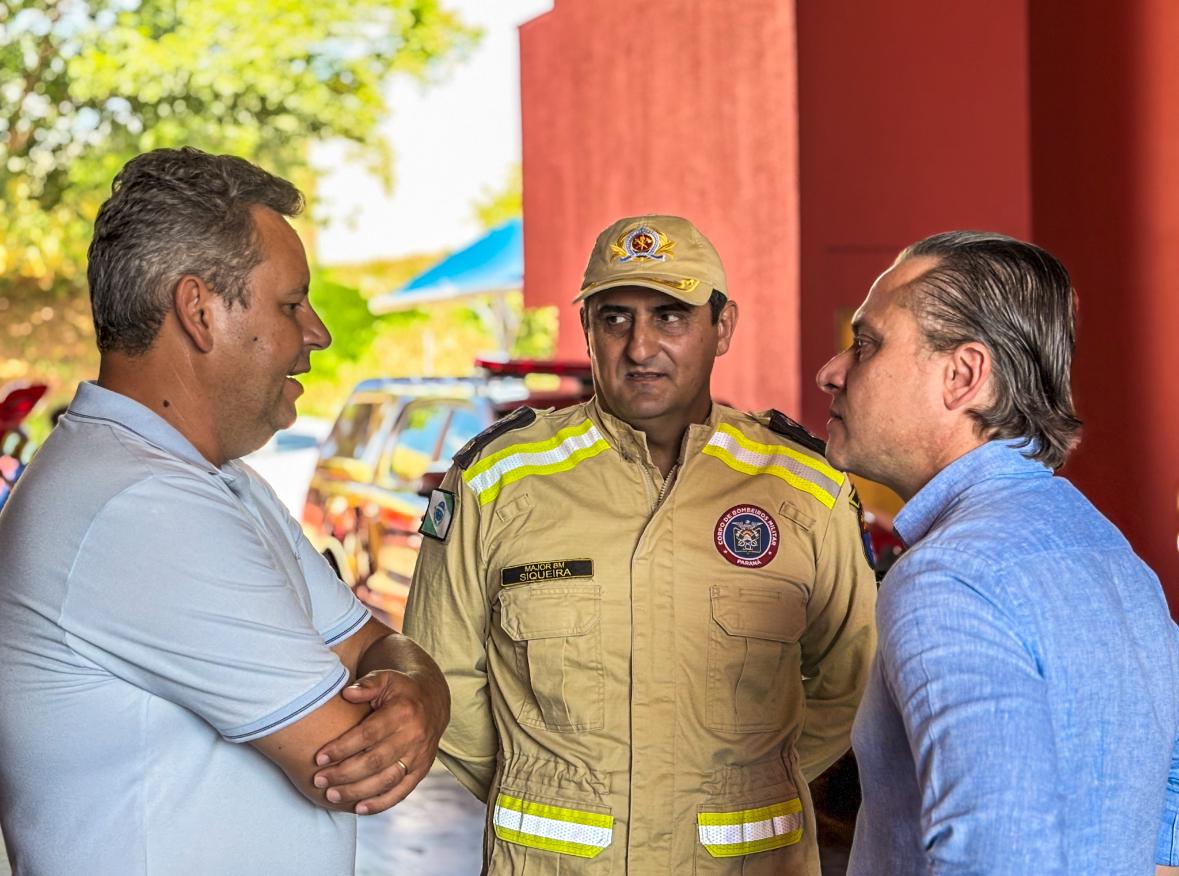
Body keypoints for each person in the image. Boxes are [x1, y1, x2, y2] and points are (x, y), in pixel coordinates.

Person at [0, 147, 450, 875]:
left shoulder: (213, 481)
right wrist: (420, 696)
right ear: (199, 311)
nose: (316, 333)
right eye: (290, 304)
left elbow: (371, 643)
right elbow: (347, 761)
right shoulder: (138, 504)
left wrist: (419, 687)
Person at [404, 214, 876, 874]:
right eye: (614, 317)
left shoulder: (801, 487)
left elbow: (849, 676)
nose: (639, 346)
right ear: (588, 330)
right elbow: (438, 674)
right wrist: (551, 787)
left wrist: (732, 790)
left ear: (723, 327)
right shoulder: (497, 481)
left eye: (670, 316)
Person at [815, 230, 1179, 875]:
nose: (832, 371)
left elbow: (998, 847)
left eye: (866, 345)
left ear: (963, 376)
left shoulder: (947, 578)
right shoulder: (1107, 549)